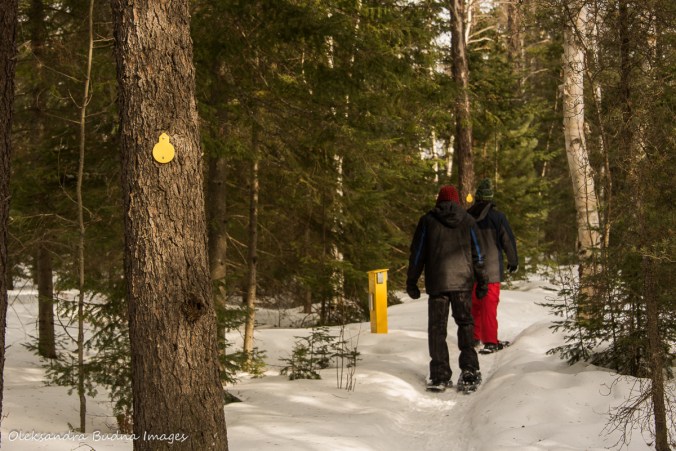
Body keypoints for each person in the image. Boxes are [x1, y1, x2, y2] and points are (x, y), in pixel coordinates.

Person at [406, 185, 488, 392]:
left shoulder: (428, 221)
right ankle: (470, 370)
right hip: (462, 283)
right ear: (457, 201)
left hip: (437, 284)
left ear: (439, 201)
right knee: (465, 324)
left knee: (437, 329)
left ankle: (439, 375)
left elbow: (417, 254)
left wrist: (412, 281)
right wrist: (482, 281)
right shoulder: (468, 221)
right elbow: (478, 254)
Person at [467, 178, 518, 354]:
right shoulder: (498, 217)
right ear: (490, 197)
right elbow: (508, 241)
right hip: (492, 270)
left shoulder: (467, 216)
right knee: (489, 306)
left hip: (471, 270)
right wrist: (513, 261)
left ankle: (474, 338)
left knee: (475, 305)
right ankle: (490, 341)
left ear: (477, 197)